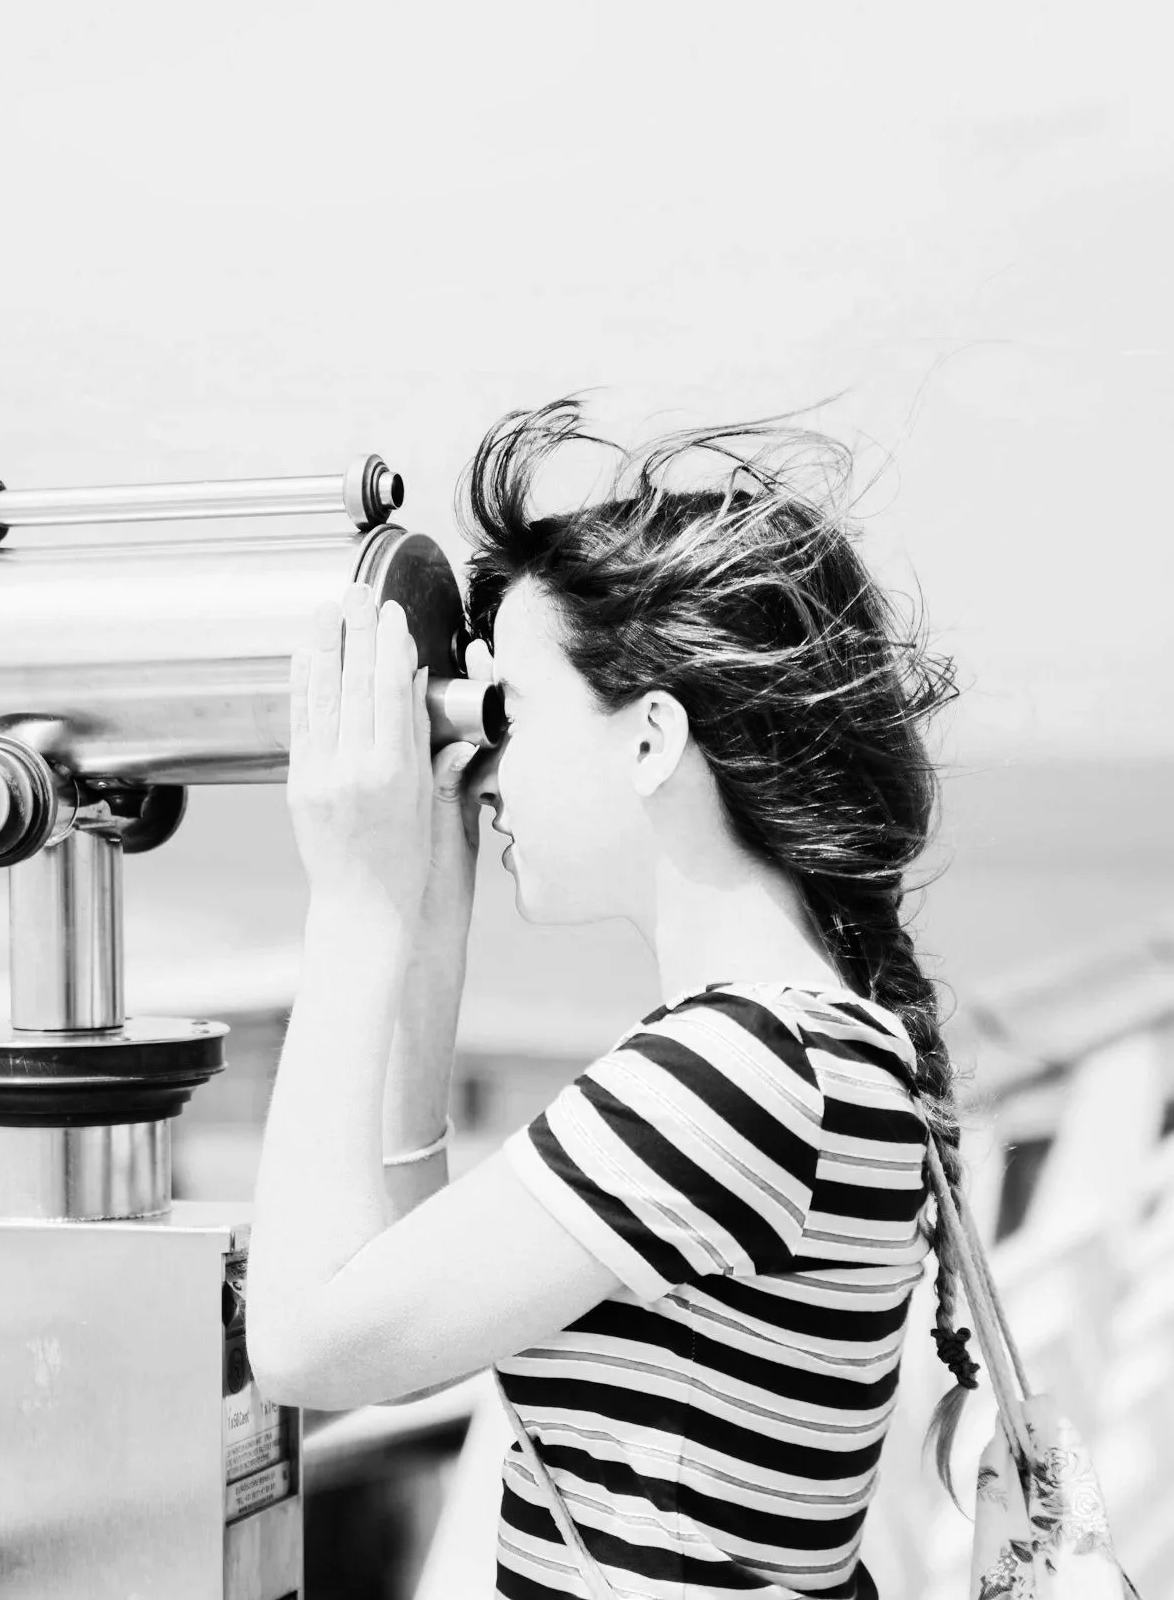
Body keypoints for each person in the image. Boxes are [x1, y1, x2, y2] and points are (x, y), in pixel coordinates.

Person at [248, 398, 980, 1600]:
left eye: (512, 713)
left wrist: (352, 900)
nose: (483, 761)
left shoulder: (740, 1070)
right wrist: (429, 913)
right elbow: (400, 1335)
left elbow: (301, 1343)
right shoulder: (817, 1045)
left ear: (648, 741)